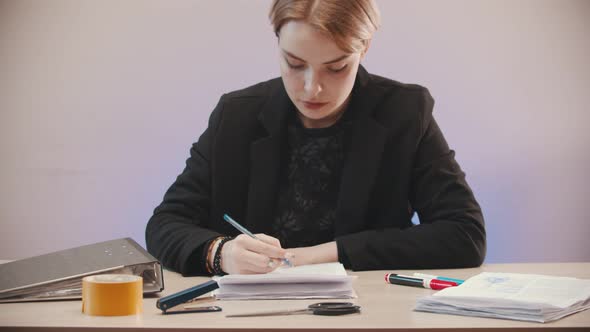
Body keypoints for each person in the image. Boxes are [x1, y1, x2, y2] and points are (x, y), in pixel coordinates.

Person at [146, 0, 486, 276]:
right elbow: (165, 223)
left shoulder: (404, 112)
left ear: (364, 49)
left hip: (367, 314)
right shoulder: (236, 116)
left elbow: (465, 234)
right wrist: (220, 253)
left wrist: (325, 254)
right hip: (249, 316)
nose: (312, 88)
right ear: (277, 42)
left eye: (336, 68)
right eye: (294, 64)